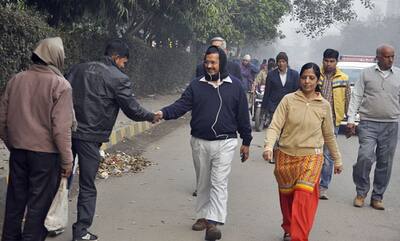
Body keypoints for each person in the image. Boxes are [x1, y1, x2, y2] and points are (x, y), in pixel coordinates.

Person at [66, 39, 160, 241]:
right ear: (117, 58)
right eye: (124, 62)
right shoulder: (118, 78)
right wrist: (151, 116)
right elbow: (132, 109)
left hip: (66, 132)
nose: (124, 66)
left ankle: (48, 223)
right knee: (87, 185)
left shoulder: (76, 69)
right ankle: (81, 232)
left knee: (58, 179)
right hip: (90, 137)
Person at [156, 45, 252, 241]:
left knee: (218, 182)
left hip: (226, 142)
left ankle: (213, 223)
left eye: (213, 62)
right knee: (203, 182)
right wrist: (163, 113)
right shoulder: (196, 85)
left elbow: (243, 115)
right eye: (207, 62)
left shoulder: (235, 86)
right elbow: (181, 105)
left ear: (221, 63)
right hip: (200, 141)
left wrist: (247, 141)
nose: (209, 66)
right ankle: (202, 216)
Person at [0, 37, 74, 241]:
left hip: (18, 152)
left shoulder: (16, 79)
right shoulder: (61, 85)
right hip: (45, 157)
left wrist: (12, 142)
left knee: (15, 202)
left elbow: (2, 119)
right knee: (38, 206)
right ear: (56, 58)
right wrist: (67, 161)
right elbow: (61, 129)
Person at [263, 62, 343, 241]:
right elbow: (275, 125)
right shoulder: (288, 100)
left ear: (317, 80)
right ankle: (289, 228)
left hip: (311, 157)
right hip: (285, 156)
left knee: (303, 197)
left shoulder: (323, 105)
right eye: (304, 77)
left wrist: (337, 160)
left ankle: (299, 237)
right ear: (299, 79)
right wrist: (268, 146)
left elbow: (329, 135)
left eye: (311, 78)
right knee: (288, 198)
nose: (307, 81)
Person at [347, 44, 400, 210]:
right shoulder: (366, 74)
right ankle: (361, 192)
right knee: (364, 157)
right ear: (377, 57)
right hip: (368, 123)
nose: (390, 59)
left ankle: (377, 196)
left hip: (390, 124)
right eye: (386, 56)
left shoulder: (398, 74)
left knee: (385, 162)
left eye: (392, 56)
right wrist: (351, 119)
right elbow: (356, 96)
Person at [318, 48, 350, 200]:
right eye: (326, 61)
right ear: (323, 60)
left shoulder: (343, 78)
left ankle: (323, 187)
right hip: (315, 119)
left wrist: (350, 121)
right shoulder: (316, 74)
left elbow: (347, 99)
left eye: (332, 61)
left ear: (337, 62)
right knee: (313, 152)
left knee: (328, 155)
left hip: (333, 121)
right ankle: (310, 182)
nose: (329, 64)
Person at [261, 52, 299, 163]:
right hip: (274, 106)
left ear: (287, 63)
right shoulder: (271, 75)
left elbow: (297, 91)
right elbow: (267, 92)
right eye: (279, 62)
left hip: (290, 107)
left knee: (286, 131)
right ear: (277, 63)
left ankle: (285, 153)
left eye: (283, 61)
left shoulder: (294, 75)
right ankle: (273, 153)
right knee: (275, 130)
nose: (281, 64)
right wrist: (264, 108)